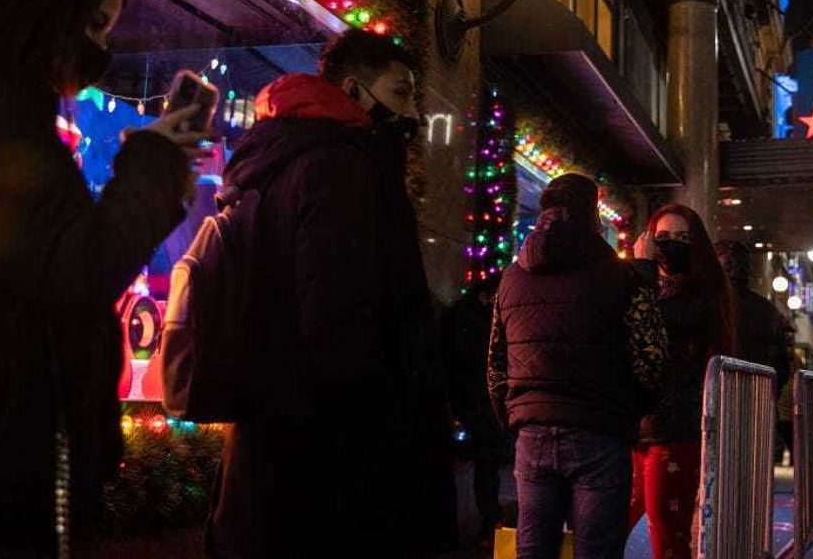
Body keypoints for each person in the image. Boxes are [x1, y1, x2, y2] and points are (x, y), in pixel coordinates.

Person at [0, 0, 205, 556]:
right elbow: (74, 268)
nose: (100, 51)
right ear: (44, 5)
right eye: (94, 24)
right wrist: (154, 161)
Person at [206, 30, 456, 557]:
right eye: (400, 92)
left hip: (271, 444)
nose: (410, 113)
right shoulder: (343, 169)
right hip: (332, 459)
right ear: (354, 90)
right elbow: (341, 320)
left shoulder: (275, 160)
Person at [487, 174, 667, 559]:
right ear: (591, 216)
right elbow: (650, 359)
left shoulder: (512, 277)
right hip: (600, 431)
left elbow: (495, 366)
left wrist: (516, 417)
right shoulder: (623, 276)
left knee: (533, 548)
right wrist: (632, 411)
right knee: (596, 549)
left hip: (531, 433)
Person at [631, 204, 735, 559]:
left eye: (682, 237)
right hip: (631, 425)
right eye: (662, 237)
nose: (671, 245)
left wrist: (642, 270)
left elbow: (648, 322)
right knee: (606, 524)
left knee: (668, 535)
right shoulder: (642, 281)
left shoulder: (702, 292)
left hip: (675, 428)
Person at [441, 273, 506, 548]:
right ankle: (488, 523)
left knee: (482, 465)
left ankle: (484, 523)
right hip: (480, 401)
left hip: (471, 401)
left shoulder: (460, 314)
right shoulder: (477, 317)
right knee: (485, 465)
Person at [714, 240, 792, 389]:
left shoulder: (709, 304)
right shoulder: (768, 310)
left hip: (718, 398)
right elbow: (782, 367)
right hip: (758, 398)